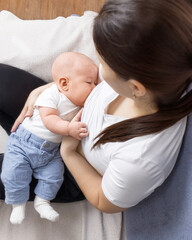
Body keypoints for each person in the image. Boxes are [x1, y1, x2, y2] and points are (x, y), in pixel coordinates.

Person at [1, 0, 192, 219]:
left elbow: (104, 200)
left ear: (136, 87)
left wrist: (68, 152)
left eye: (103, 59)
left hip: (70, 168)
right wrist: (49, 90)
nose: (98, 62)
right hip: (66, 107)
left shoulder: (140, 160)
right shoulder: (160, 71)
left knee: (10, 174)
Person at [1, 52, 98, 224]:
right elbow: (49, 119)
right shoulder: (54, 95)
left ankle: (42, 202)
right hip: (25, 141)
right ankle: (17, 204)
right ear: (64, 83)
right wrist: (40, 91)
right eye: (90, 83)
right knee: (14, 172)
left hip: (58, 156)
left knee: (49, 177)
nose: (95, 87)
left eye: (96, 83)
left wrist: (68, 150)